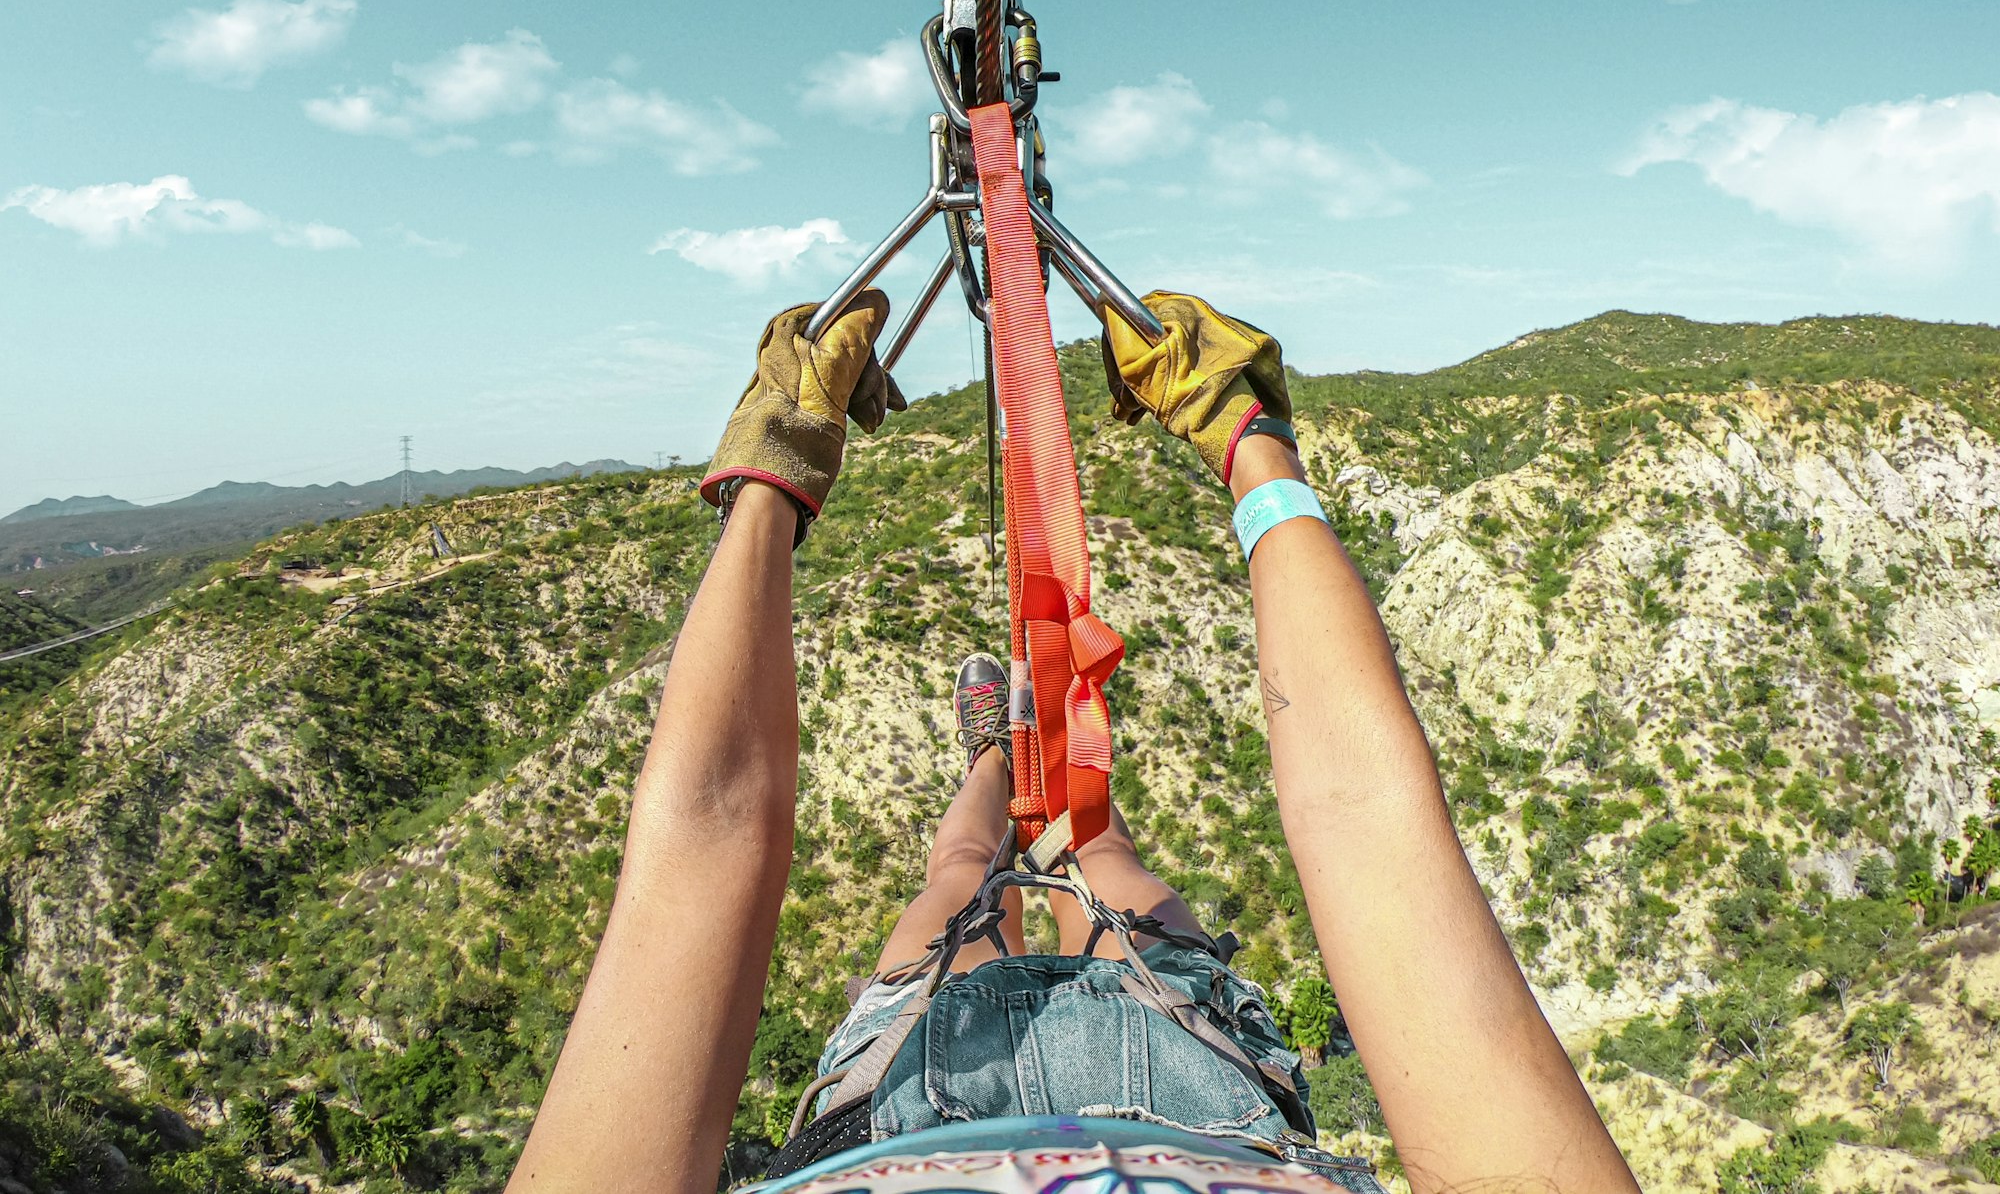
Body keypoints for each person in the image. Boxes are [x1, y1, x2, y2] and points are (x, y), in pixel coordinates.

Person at [506, 291, 1642, 1194]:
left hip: (983, 1108)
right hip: (1108, 1111)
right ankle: (1044, 778)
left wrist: (773, 468)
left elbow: (708, 833)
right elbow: (1363, 817)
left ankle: (1002, 763)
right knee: (1086, 863)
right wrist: (1251, 448)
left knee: (978, 875)